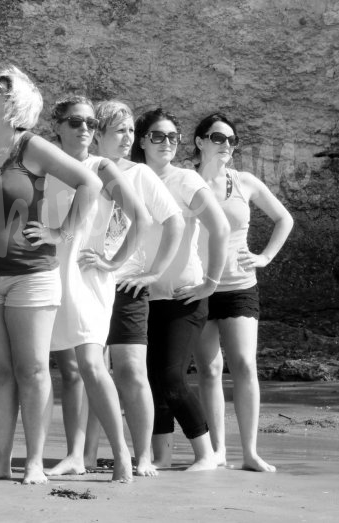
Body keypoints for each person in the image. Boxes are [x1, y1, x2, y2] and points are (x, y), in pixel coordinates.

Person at [0, 74, 102, 485]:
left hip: (32, 276)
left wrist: (62, 233)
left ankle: (34, 462)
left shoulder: (30, 146)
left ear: (15, 104)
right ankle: (1, 462)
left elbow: (89, 182)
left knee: (34, 369)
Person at [42, 96, 147, 482]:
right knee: (68, 369)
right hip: (51, 274)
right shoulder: (46, 163)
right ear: (58, 126)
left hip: (88, 279)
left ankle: (121, 455)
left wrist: (113, 262)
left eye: (89, 123)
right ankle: (74, 454)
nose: (83, 129)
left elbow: (141, 219)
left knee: (90, 363)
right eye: (74, 122)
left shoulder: (101, 166)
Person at [130, 108, 229, 471]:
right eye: (158, 136)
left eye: (173, 136)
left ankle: (205, 453)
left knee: (171, 377)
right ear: (142, 141)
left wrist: (211, 283)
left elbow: (219, 228)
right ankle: (162, 454)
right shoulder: (133, 177)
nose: (167, 143)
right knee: (151, 378)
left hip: (182, 298)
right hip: (142, 297)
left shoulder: (186, 180)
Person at [192, 113, 292, 472]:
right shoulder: (184, 180)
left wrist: (264, 256)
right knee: (208, 368)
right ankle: (217, 450)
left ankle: (249, 452)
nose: (226, 146)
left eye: (232, 141)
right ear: (200, 141)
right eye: (218, 138)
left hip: (239, 286)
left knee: (245, 365)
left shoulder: (244, 181)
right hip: (198, 286)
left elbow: (285, 219)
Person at [94, 100, 186, 477]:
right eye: (120, 130)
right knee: (89, 370)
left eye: (131, 129)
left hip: (128, 287)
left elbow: (174, 223)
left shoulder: (141, 174)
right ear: (97, 133)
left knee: (131, 371)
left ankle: (143, 455)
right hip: (87, 283)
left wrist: (153, 272)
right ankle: (83, 455)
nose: (128, 137)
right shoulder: (81, 169)